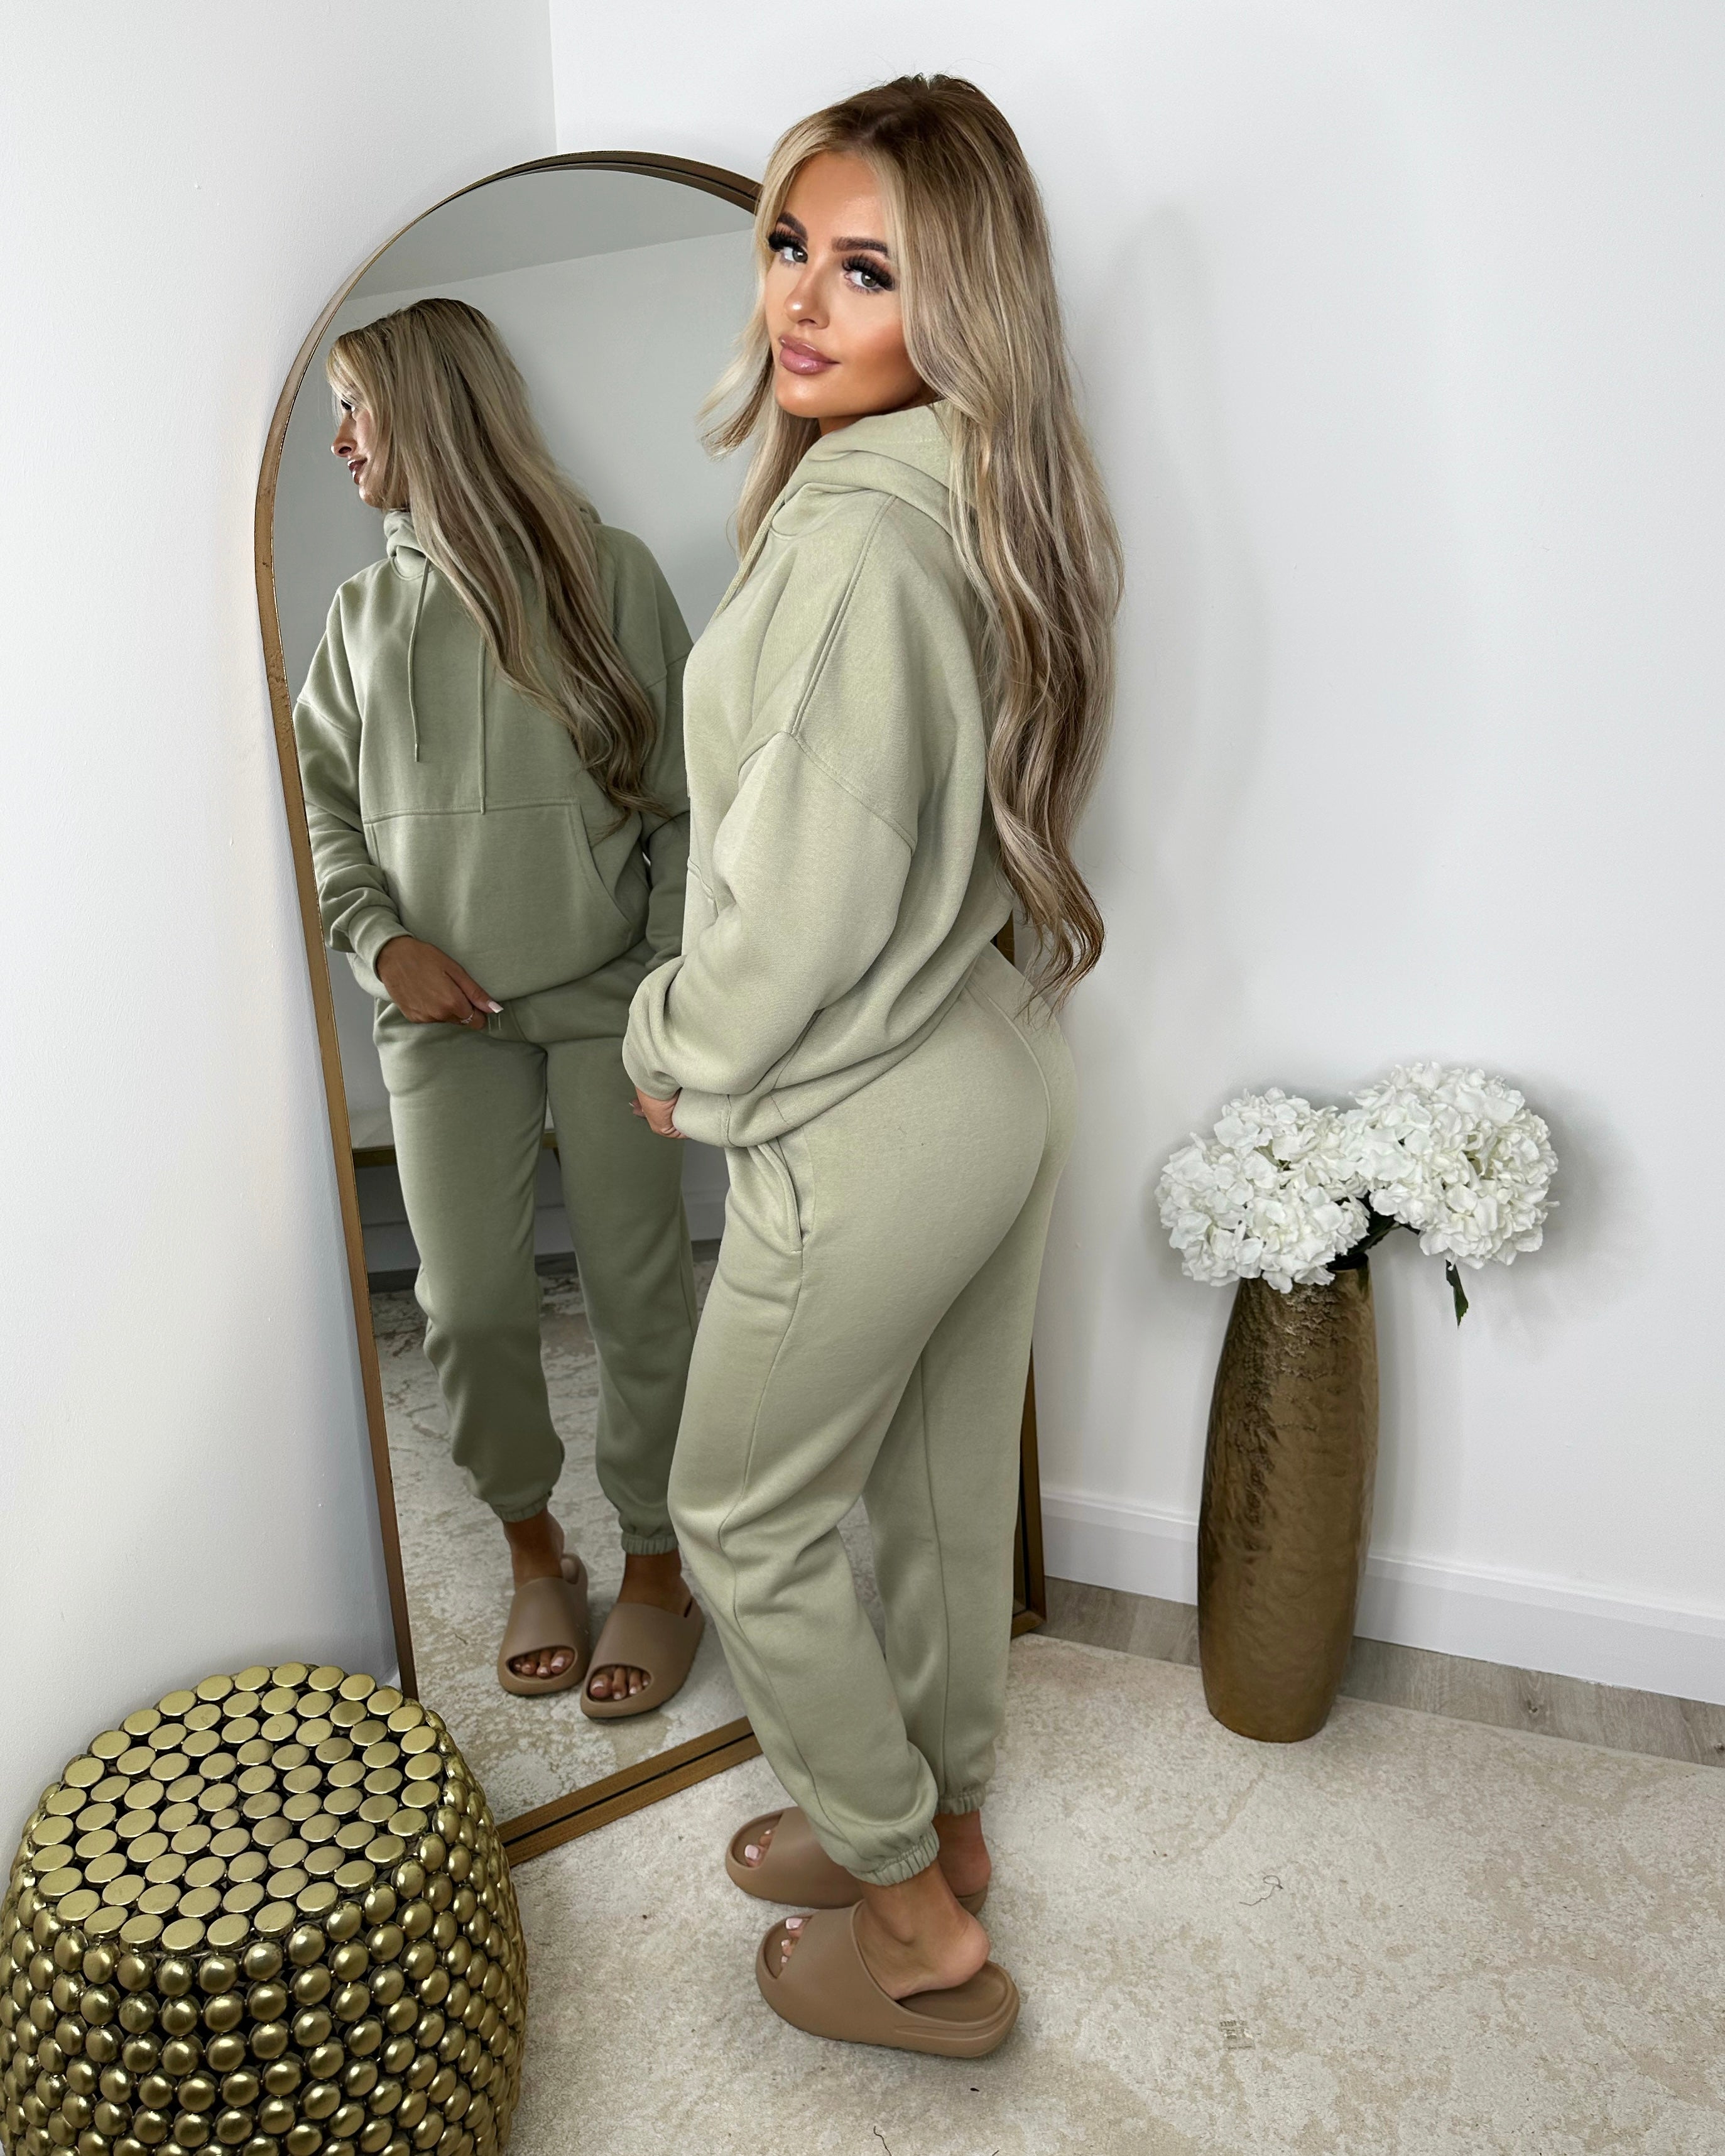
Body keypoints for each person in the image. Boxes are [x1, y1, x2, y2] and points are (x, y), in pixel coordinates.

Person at [623, 77, 1120, 2055]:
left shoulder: (849, 546)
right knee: (932, 1487)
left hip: (871, 1107)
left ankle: (914, 1930)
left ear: (961, 302)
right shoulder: (974, 500)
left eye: (867, 270)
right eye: (786, 248)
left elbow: (795, 914)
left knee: (740, 1516)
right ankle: (937, 1825)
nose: (802, 305)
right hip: (990, 1063)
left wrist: (669, 1043)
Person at [294, 298, 705, 1714]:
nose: (341, 442)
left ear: (433, 405)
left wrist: (662, 988)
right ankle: (538, 1550)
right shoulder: (358, 619)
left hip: (606, 999)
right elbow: (322, 811)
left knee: (640, 1296)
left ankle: (654, 1562)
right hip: (439, 1015)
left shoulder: (610, 573)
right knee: (466, 1308)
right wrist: (379, 943)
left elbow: (685, 805)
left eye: (355, 408)